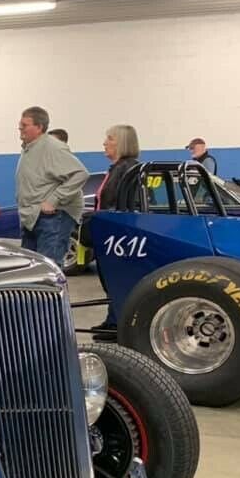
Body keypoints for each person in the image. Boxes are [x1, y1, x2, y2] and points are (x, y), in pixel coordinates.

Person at [16, 106, 89, 266]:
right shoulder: (30, 147)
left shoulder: (52, 147)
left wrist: (54, 199)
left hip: (53, 218)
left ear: (39, 127)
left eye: (25, 125)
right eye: (20, 124)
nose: (20, 128)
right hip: (33, 217)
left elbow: (80, 174)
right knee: (30, 271)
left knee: (47, 271)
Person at [90, 124, 141, 341]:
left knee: (119, 279)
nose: (104, 142)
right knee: (110, 280)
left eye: (109, 138)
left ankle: (119, 324)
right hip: (109, 233)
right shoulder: (117, 168)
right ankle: (112, 319)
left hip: (117, 235)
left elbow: (124, 205)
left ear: (121, 143)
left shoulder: (127, 169)